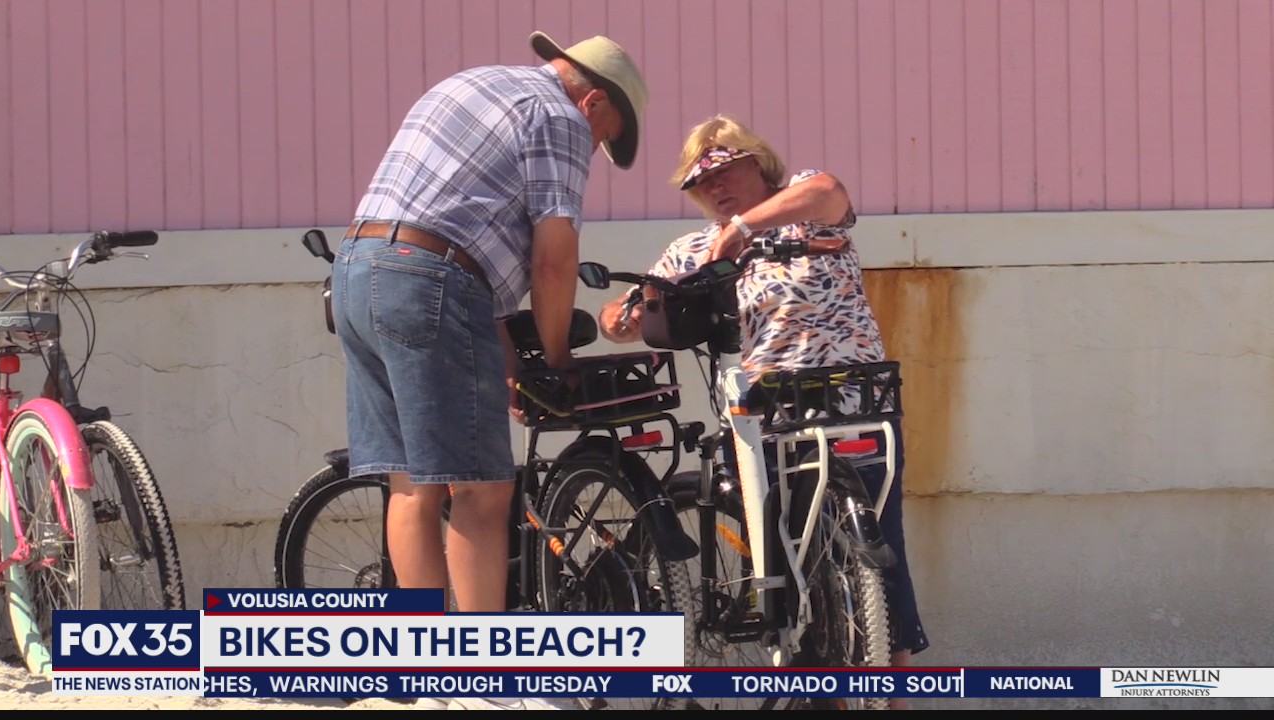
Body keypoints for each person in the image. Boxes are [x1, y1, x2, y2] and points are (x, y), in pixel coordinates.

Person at [331, 31, 648, 712]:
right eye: (603, 138)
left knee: (413, 485)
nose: (591, 152)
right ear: (593, 101)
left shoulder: (470, 83)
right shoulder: (560, 117)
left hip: (358, 271)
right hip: (433, 281)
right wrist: (557, 359)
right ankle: (486, 681)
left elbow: (457, 227)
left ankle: (422, 679)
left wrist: (500, 356)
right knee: (481, 492)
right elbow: (555, 258)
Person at [598, 114, 928, 709]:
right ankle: (802, 673)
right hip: (763, 415)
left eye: (728, 170)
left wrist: (746, 229)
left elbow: (830, 191)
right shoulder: (692, 249)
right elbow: (624, 314)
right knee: (780, 568)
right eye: (702, 183)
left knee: (880, 555)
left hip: (851, 400)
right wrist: (629, 315)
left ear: (760, 165)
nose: (717, 188)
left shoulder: (803, 202)